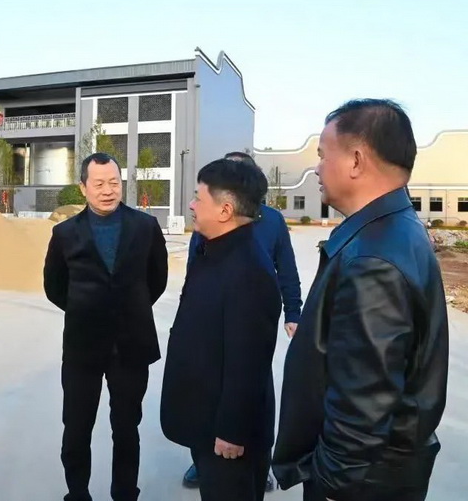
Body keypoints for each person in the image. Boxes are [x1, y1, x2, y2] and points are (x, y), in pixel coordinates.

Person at [272, 99, 449, 501]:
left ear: (355, 160)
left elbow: (363, 406)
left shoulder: (373, 258)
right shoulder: (394, 230)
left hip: (360, 483)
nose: (317, 168)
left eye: (323, 155)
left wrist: (332, 485)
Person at [44, 152, 168, 501]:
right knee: (76, 428)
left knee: (127, 428)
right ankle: (77, 493)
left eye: (114, 182)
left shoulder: (145, 227)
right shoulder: (65, 233)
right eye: (98, 184)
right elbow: (55, 287)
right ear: (83, 187)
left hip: (132, 345)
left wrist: (129, 309)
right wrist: (88, 310)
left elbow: (156, 280)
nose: (108, 190)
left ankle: (125, 492)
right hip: (83, 347)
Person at [161, 158, 281, 501]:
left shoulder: (249, 271)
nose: (191, 205)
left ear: (225, 210)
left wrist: (232, 430)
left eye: (198, 197)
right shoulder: (213, 251)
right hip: (206, 421)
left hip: (228, 440)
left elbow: (249, 362)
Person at [182, 150, 302, 491]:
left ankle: (253, 456)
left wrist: (293, 311)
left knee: (248, 377)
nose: (192, 205)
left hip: (246, 317)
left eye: (199, 197)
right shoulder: (208, 234)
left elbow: (287, 268)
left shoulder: (259, 250)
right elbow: (195, 269)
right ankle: (205, 458)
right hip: (214, 332)